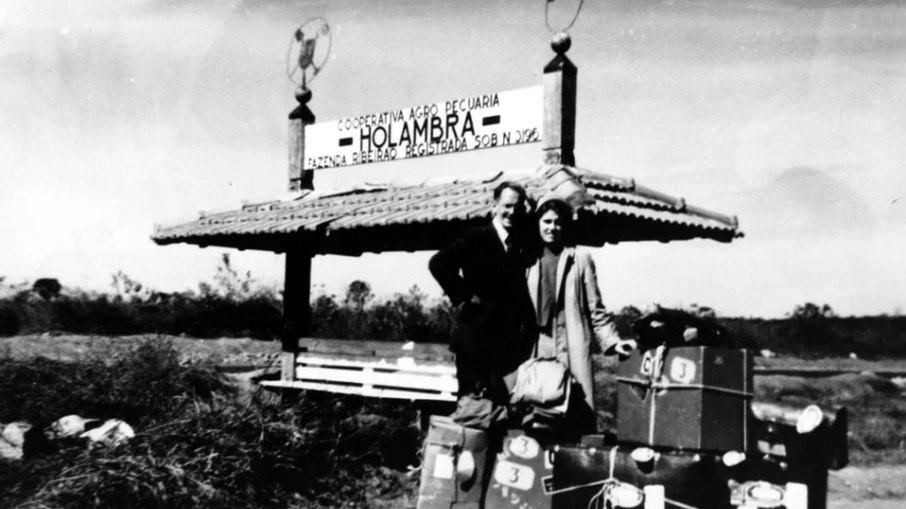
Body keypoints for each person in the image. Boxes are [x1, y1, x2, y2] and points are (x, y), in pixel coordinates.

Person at [525, 197, 637, 433]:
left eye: (557, 222)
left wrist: (613, 341)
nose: (551, 228)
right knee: (534, 417)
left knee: (574, 420)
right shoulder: (527, 258)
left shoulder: (580, 259)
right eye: (546, 221)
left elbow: (596, 309)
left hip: (571, 347)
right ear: (537, 223)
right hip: (536, 348)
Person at [429, 181, 536, 407]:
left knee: (500, 408)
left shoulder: (519, 243)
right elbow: (438, 263)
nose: (512, 212)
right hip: (474, 339)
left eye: (517, 207)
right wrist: (466, 296)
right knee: (472, 409)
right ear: (494, 206)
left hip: (504, 343)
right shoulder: (475, 237)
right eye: (507, 206)